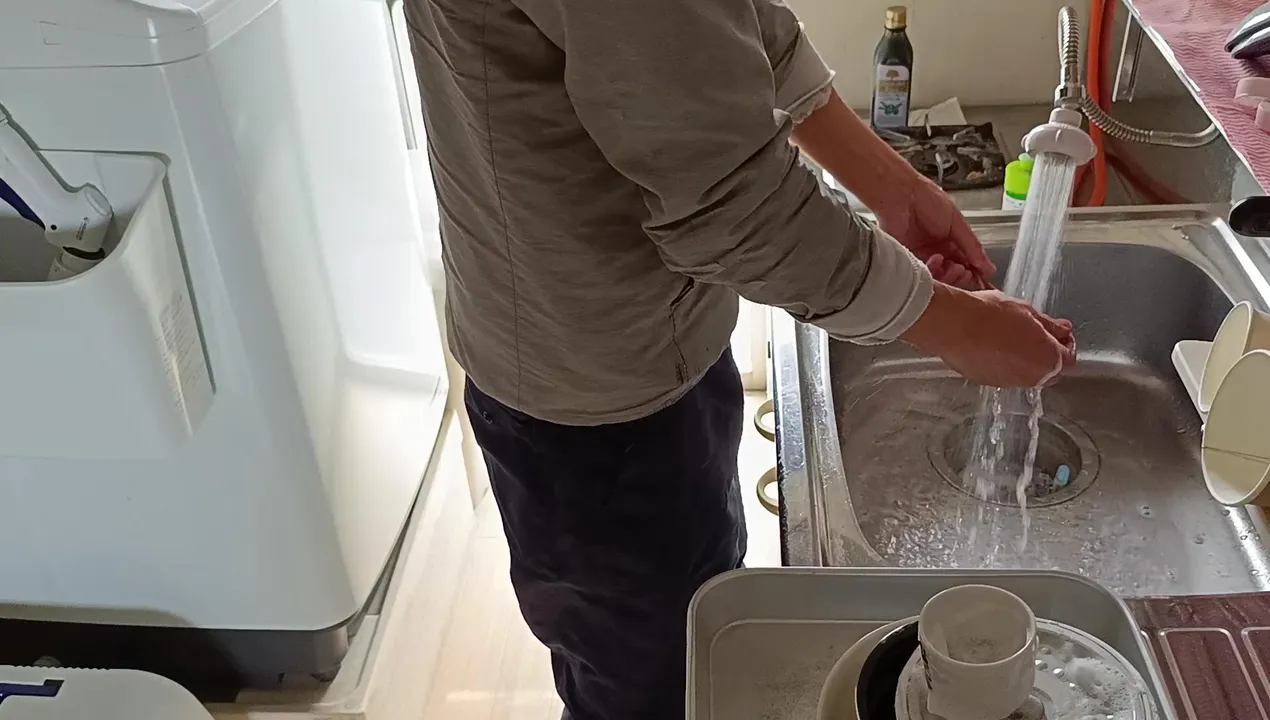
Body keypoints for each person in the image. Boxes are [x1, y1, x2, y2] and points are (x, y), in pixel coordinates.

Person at [402, 0, 1076, 717]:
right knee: (648, 693)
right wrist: (955, 326)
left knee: (685, 645)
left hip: (624, 352)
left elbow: (727, 27)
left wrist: (894, 187)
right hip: (597, 404)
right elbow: (732, 209)